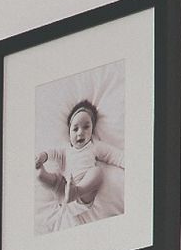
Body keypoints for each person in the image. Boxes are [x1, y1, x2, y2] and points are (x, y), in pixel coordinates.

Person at [35, 98, 122, 230]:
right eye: (75, 129)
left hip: (82, 196)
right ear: (69, 131)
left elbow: (114, 155)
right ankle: (42, 175)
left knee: (97, 172)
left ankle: (77, 190)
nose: (81, 132)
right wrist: (42, 157)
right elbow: (52, 153)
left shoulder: (94, 146)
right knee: (55, 179)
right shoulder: (65, 150)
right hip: (62, 192)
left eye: (86, 127)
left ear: (92, 129)